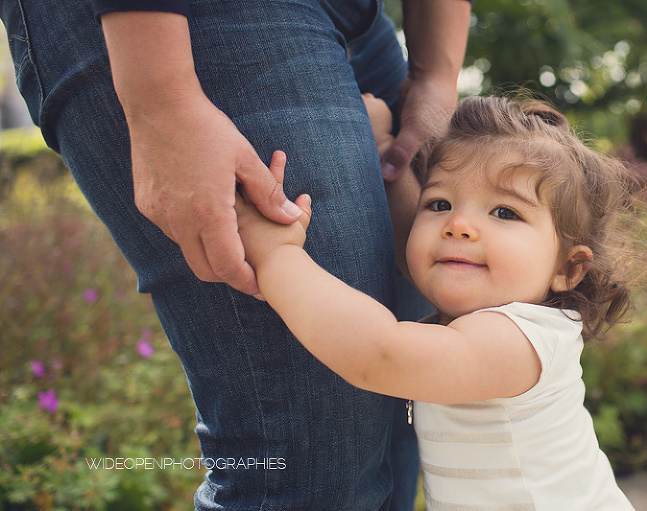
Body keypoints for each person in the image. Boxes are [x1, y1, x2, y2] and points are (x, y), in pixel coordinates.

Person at [0, 0, 470, 509]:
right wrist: (163, 96)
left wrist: (438, 76)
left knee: (396, 424)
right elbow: (377, 350)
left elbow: (387, 355)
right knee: (307, 467)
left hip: (362, 24)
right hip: (177, 20)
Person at [234, 94, 639, 510]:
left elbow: (381, 355)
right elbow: (417, 245)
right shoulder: (480, 311)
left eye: (504, 212)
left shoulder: (519, 341)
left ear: (569, 269)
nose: (458, 225)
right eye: (440, 204)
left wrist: (276, 256)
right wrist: (379, 150)